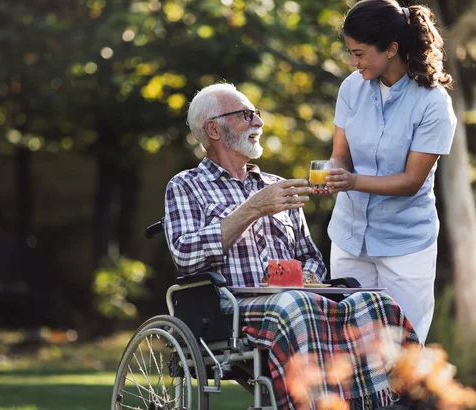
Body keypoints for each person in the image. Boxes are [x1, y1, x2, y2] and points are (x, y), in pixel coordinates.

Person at [164, 82, 419, 409]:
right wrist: (253, 208)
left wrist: (309, 277)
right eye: (246, 115)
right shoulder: (186, 186)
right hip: (228, 308)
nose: (258, 122)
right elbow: (186, 257)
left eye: (257, 114)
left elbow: (310, 258)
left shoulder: (277, 186)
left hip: (297, 300)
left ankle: (415, 399)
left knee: (377, 303)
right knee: (293, 306)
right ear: (213, 129)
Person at [319, 0, 457, 344]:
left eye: (360, 53)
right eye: (351, 52)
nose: (354, 63)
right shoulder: (352, 88)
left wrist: (351, 181)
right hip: (350, 239)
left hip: (405, 245)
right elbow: (340, 156)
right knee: (352, 350)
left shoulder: (432, 103)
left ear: (392, 49)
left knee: (403, 352)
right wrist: (332, 175)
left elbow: (412, 181)